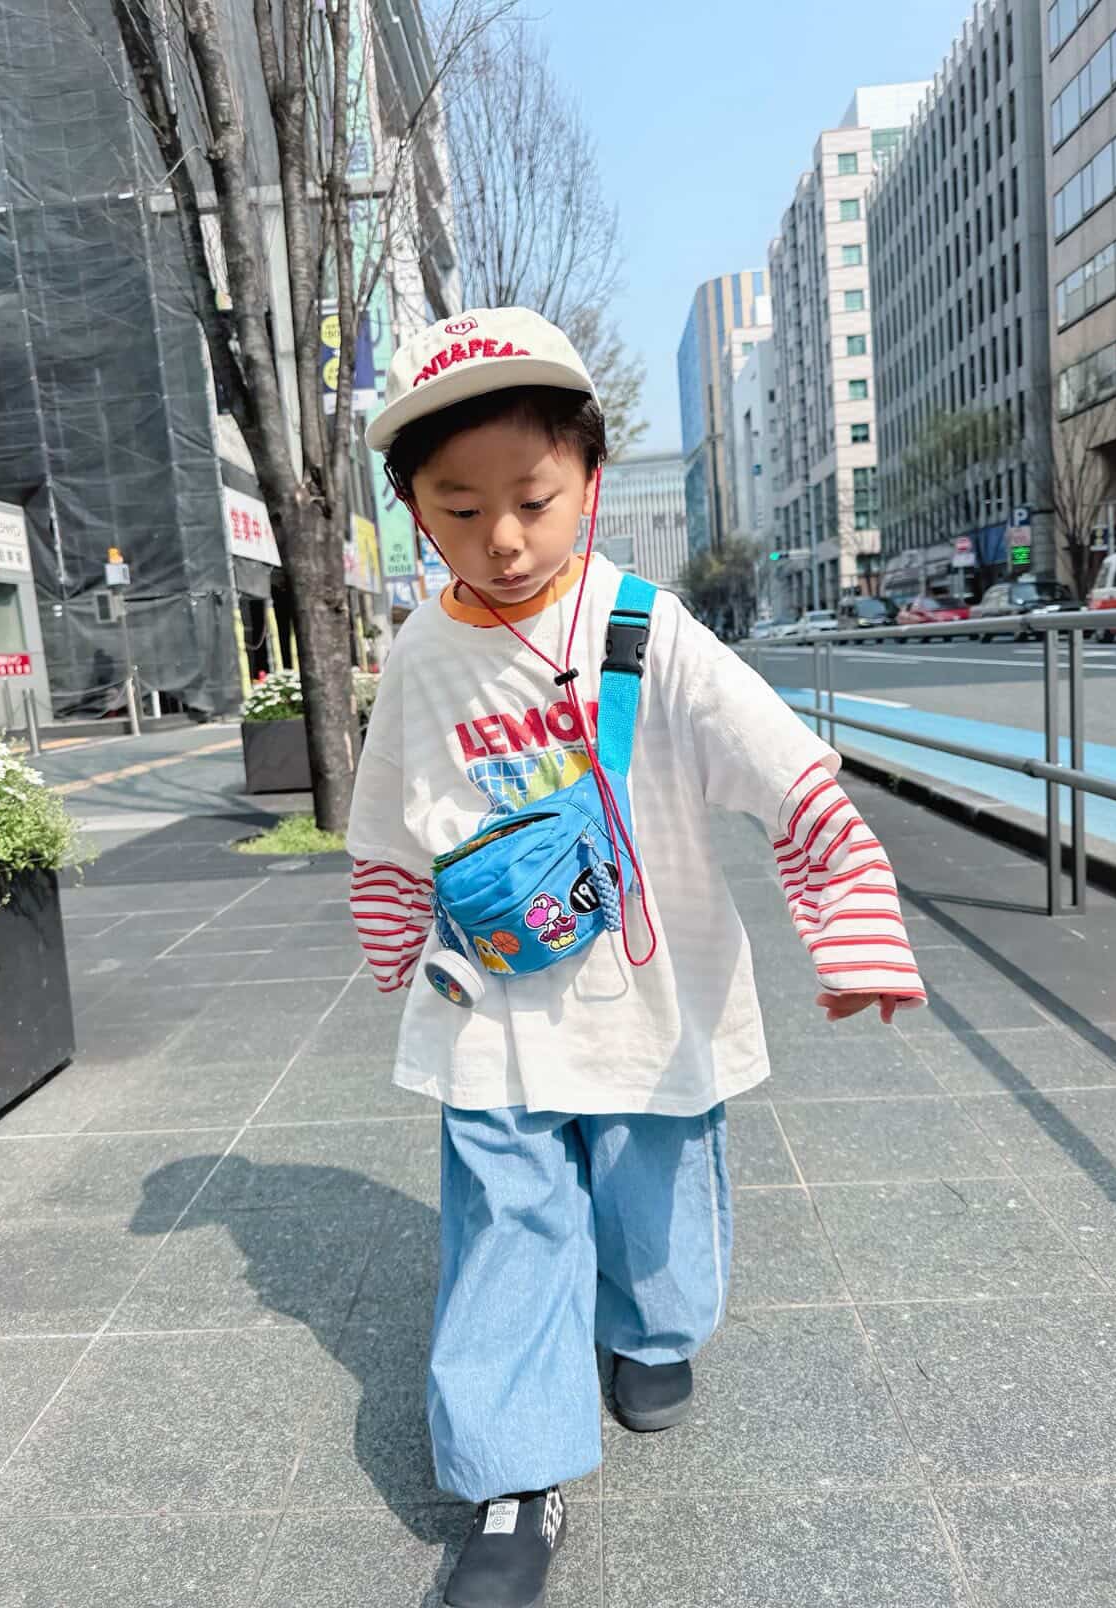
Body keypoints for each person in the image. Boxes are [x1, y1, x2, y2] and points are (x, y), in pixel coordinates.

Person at [347, 307, 925, 1608]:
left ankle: (652, 1327)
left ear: (590, 481)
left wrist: (852, 923)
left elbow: (783, 772)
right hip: (492, 1009)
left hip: (650, 1004)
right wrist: (389, 934)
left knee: (653, 1187)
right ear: (416, 512)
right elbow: (386, 818)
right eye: (459, 510)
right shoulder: (424, 651)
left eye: (533, 501)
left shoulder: (645, 627)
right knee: (507, 1228)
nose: (502, 538)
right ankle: (513, 1479)